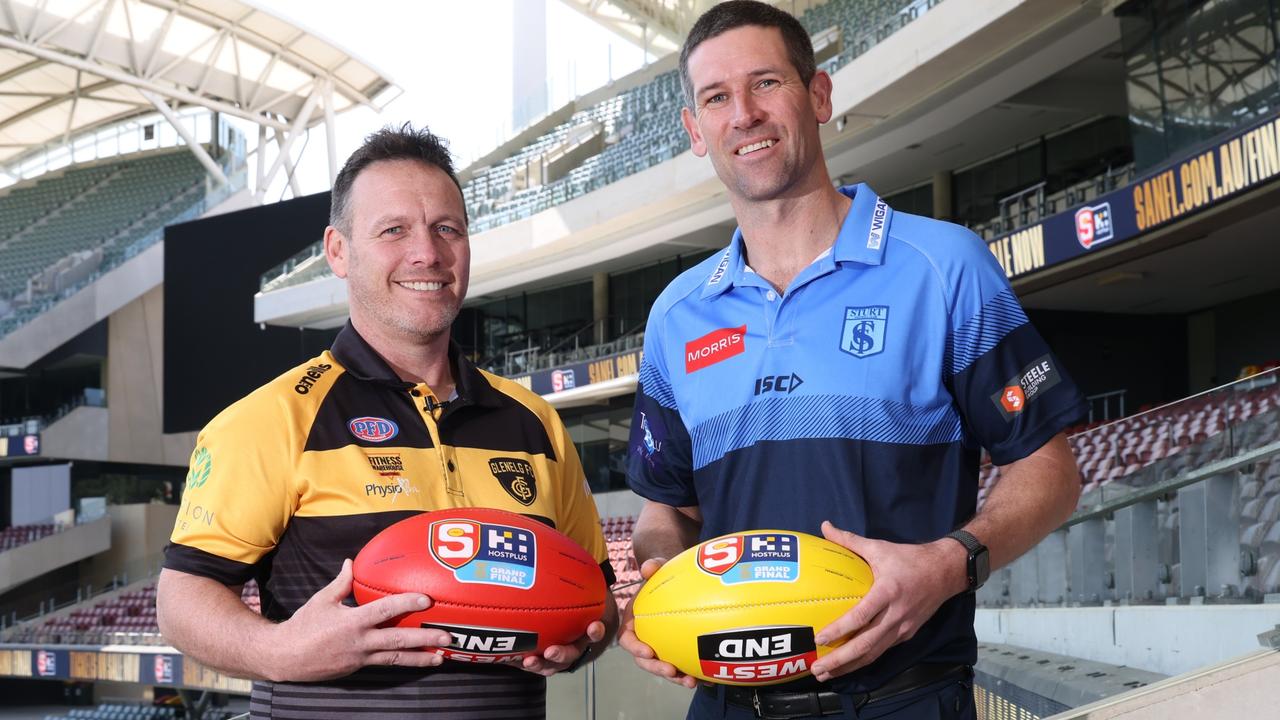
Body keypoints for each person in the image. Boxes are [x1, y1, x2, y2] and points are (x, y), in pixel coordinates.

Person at [618, 2, 1086, 719]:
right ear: (695, 130)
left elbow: (1050, 468)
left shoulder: (942, 266)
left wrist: (950, 563)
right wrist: (654, 575)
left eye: (765, 83)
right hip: (727, 703)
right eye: (716, 97)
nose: (743, 113)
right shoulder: (676, 315)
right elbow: (668, 509)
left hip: (903, 699)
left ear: (819, 95)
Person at [157, 124, 618, 720]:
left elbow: (597, 598)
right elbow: (182, 599)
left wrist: (578, 641)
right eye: (393, 230)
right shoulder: (272, 418)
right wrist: (277, 649)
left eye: (447, 228)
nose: (427, 252)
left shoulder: (537, 424)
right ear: (339, 251)